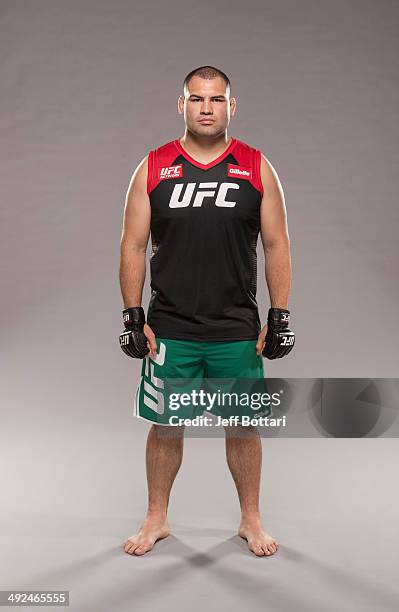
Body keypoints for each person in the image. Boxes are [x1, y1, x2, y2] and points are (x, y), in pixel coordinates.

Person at [119, 66, 294, 557]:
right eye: (197, 99)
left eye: (216, 99)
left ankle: (251, 520)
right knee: (166, 423)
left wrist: (280, 316)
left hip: (236, 325)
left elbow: (278, 244)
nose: (207, 108)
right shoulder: (153, 167)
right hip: (170, 325)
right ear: (182, 105)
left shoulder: (256, 166)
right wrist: (131, 315)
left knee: (242, 424)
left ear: (231, 106)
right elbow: (132, 245)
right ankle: (156, 518)